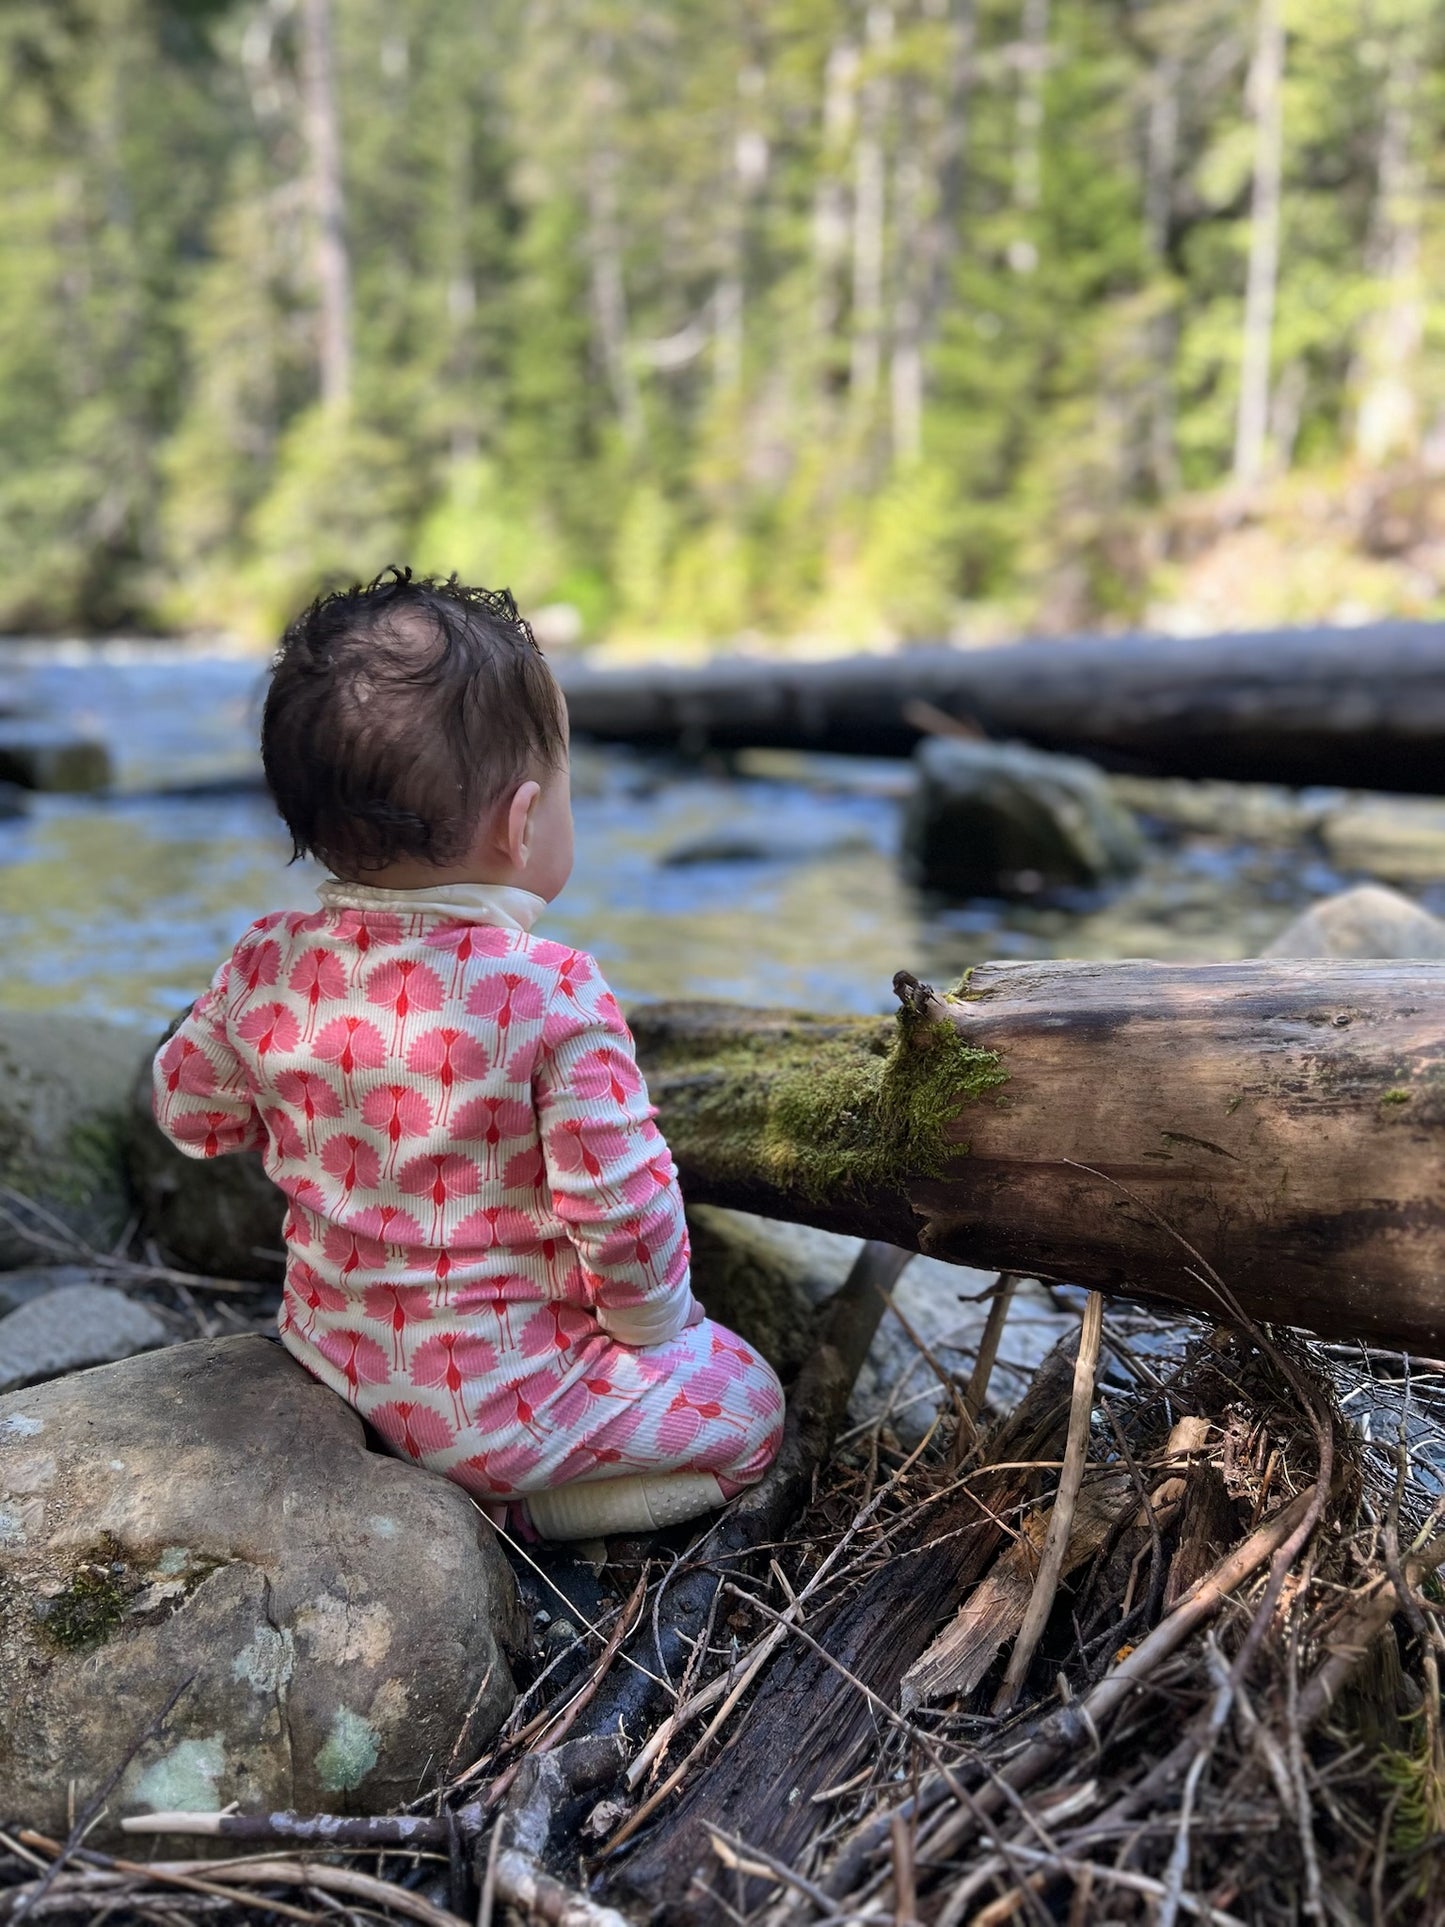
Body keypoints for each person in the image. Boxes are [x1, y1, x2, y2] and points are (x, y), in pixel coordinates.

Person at [152, 568, 784, 1540]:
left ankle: (457, 1473)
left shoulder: (265, 958)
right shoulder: (551, 988)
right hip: (499, 1413)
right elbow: (622, 1206)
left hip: (331, 1354)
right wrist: (660, 1335)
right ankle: (526, 1515)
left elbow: (187, 1115)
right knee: (750, 1408)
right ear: (520, 819)